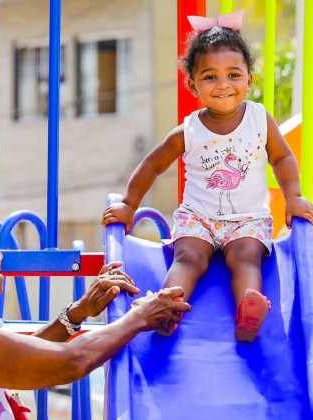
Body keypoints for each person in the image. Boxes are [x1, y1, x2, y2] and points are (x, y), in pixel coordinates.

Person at [102, 9, 313, 342]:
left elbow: (283, 157)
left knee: (246, 257)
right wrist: (129, 204)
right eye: (210, 76)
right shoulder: (189, 130)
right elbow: (152, 165)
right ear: (193, 84)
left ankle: (249, 307)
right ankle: (168, 306)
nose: (223, 84)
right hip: (198, 218)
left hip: (247, 220)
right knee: (189, 257)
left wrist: (293, 197)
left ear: (249, 79)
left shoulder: (260, 119)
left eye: (233, 74)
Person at [0, 194, 190, 419]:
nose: (1, 255)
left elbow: (18, 358)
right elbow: (71, 362)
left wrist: (77, 312)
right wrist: (140, 316)